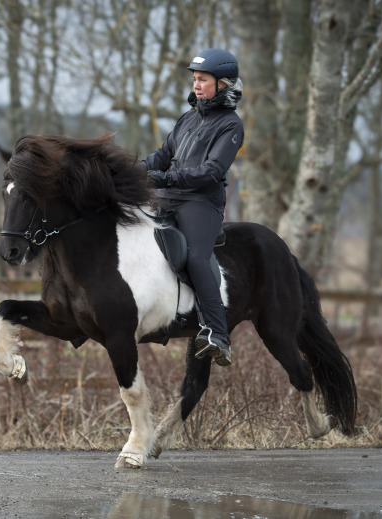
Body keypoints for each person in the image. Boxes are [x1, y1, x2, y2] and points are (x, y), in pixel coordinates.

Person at [142, 48, 244, 366]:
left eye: (203, 79)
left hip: (202, 202)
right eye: (195, 79)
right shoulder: (187, 118)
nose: (196, 85)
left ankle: (217, 334)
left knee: (197, 258)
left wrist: (164, 178)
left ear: (223, 83)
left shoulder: (231, 126)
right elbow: (161, 156)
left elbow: (212, 172)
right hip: (169, 196)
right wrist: (131, 171)